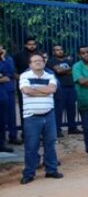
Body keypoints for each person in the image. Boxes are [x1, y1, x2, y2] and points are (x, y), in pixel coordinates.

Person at [19, 53, 62, 184]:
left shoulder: (50, 75)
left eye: (40, 60)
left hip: (49, 114)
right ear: (30, 64)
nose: (38, 62)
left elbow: (53, 90)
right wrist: (45, 90)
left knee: (50, 143)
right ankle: (29, 173)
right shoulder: (24, 76)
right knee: (31, 146)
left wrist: (35, 89)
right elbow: (26, 91)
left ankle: (51, 170)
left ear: (44, 63)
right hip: (31, 116)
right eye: (35, 61)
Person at [47, 45, 79, 136]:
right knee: (59, 109)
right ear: (53, 52)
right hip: (60, 88)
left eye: (61, 49)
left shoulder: (68, 61)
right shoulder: (51, 61)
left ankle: (72, 128)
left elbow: (73, 71)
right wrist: (68, 69)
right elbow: (59, 71)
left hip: (71, 86)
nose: (60, 51)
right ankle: (57, 130)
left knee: (71, 108)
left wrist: (64, 70)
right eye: (57, 50)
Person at [0, 44, 15, 152]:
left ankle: (1, 143)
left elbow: (10, 73)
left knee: (3, 119)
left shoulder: (6, 59)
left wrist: (3, 58)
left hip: (3, 93)